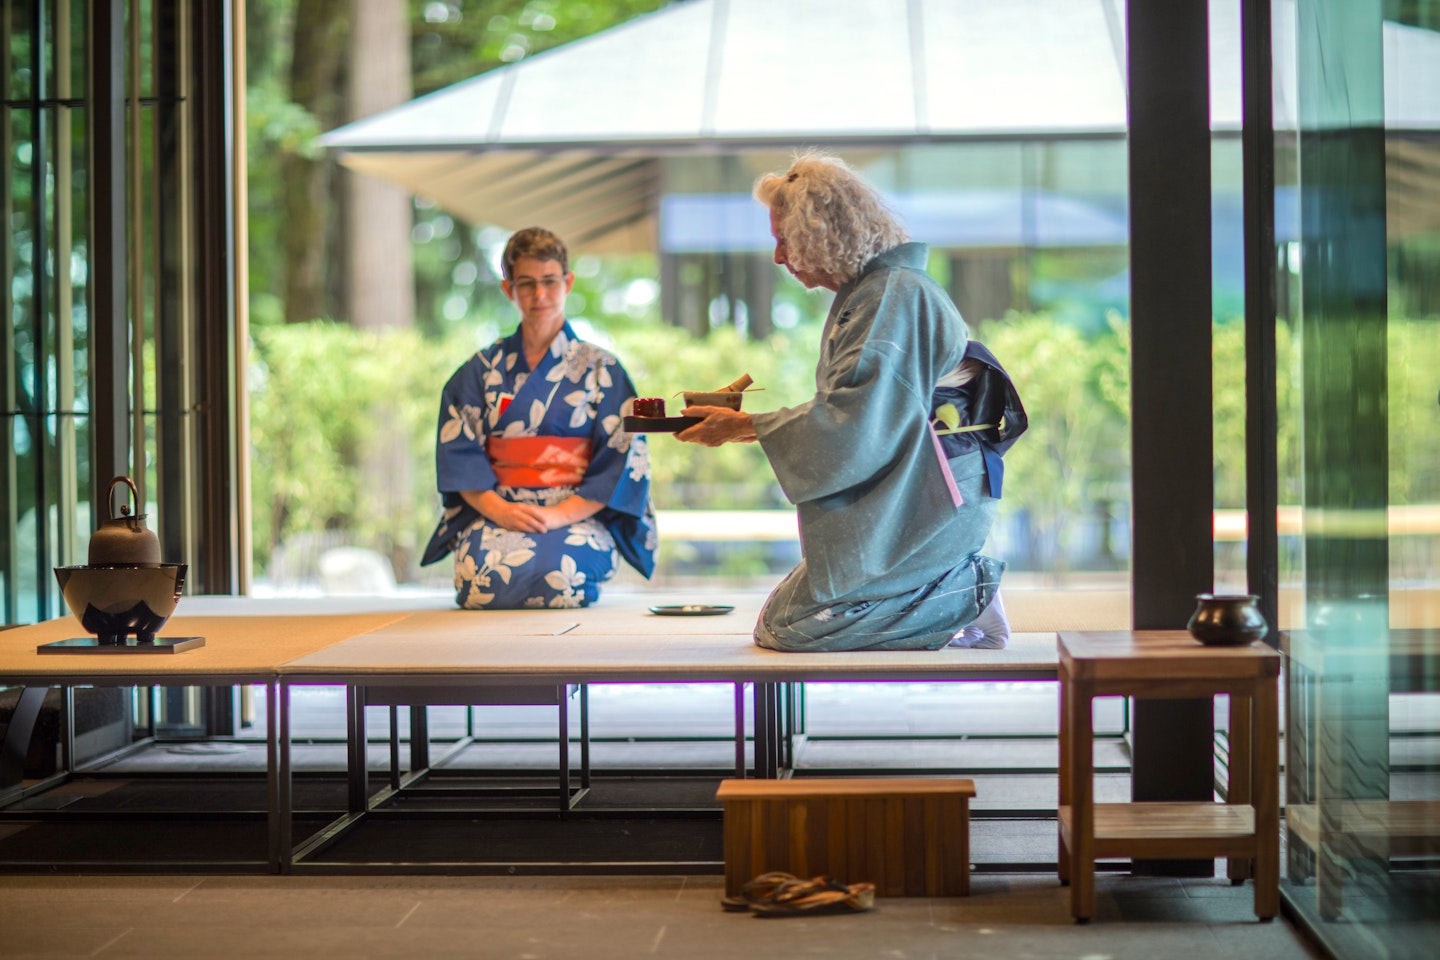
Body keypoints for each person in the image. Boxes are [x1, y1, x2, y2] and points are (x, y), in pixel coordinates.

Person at [677, 153, 1025, 651]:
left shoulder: (894, 296)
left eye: (784, 240)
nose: (778, 257)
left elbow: (857, 422)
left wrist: (741, 426)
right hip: (914, 490)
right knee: (779, 619)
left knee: (793, 629)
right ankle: (943, 588)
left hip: (931, 499)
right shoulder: (878, 292)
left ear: (822, 233)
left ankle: (964, 588)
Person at [420, 227, 657, 608]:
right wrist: (501, 511)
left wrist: (559, 515)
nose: (539, 295)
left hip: (577, 513)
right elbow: (458, 453)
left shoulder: (603, 370)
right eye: (526, 284)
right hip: (499, 510)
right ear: (507, 289)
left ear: (568, 282)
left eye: (550, 281)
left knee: (560, 577)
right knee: (478, 582)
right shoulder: (481, 370)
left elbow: (623, 457)